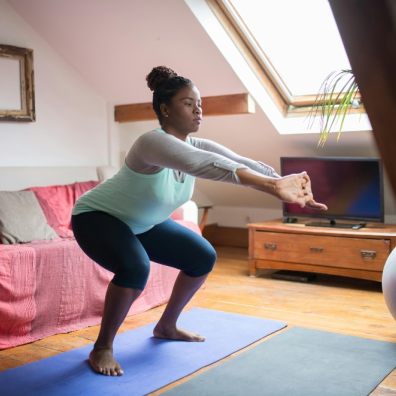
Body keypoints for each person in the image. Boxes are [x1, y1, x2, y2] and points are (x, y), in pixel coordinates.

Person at [71, 66, 327, 377]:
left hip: (141, 222)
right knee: (135, 266)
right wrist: (274, 187)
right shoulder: (151, 143)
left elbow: (240, 163)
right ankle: (102, 348)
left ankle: (167, 325)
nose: (198, 110)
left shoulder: (197, 144)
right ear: (165, 109)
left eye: (199, 104)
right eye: (188, 103)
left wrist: (286, 182)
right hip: (97, 218)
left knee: (202, 256)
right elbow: (207, 166)